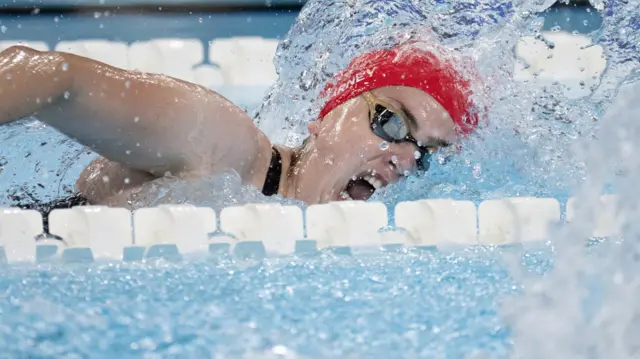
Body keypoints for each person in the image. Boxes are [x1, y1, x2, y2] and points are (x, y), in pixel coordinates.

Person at [0, 39, 479, 213]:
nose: (406, 158)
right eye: (392, 122)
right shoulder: (222, 143)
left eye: (426, 153)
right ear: (325, 117)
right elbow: (46, 76)